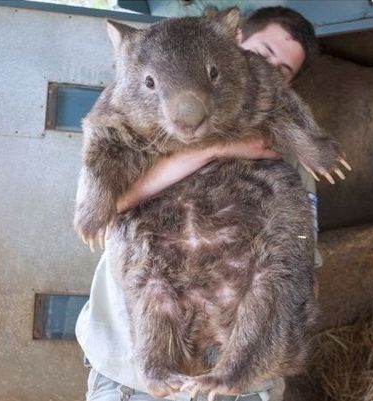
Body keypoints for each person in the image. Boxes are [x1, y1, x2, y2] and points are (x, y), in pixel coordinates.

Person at [77, 7, 325, 401]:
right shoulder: (132, 108)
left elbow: (298, 259)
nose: (267, 70)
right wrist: (219, 148)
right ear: (235, 42)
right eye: (261, 54)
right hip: (131, 375)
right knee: (155, 292)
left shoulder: (288, 145)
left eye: (283, 71)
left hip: (238, 378)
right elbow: (109, 203)